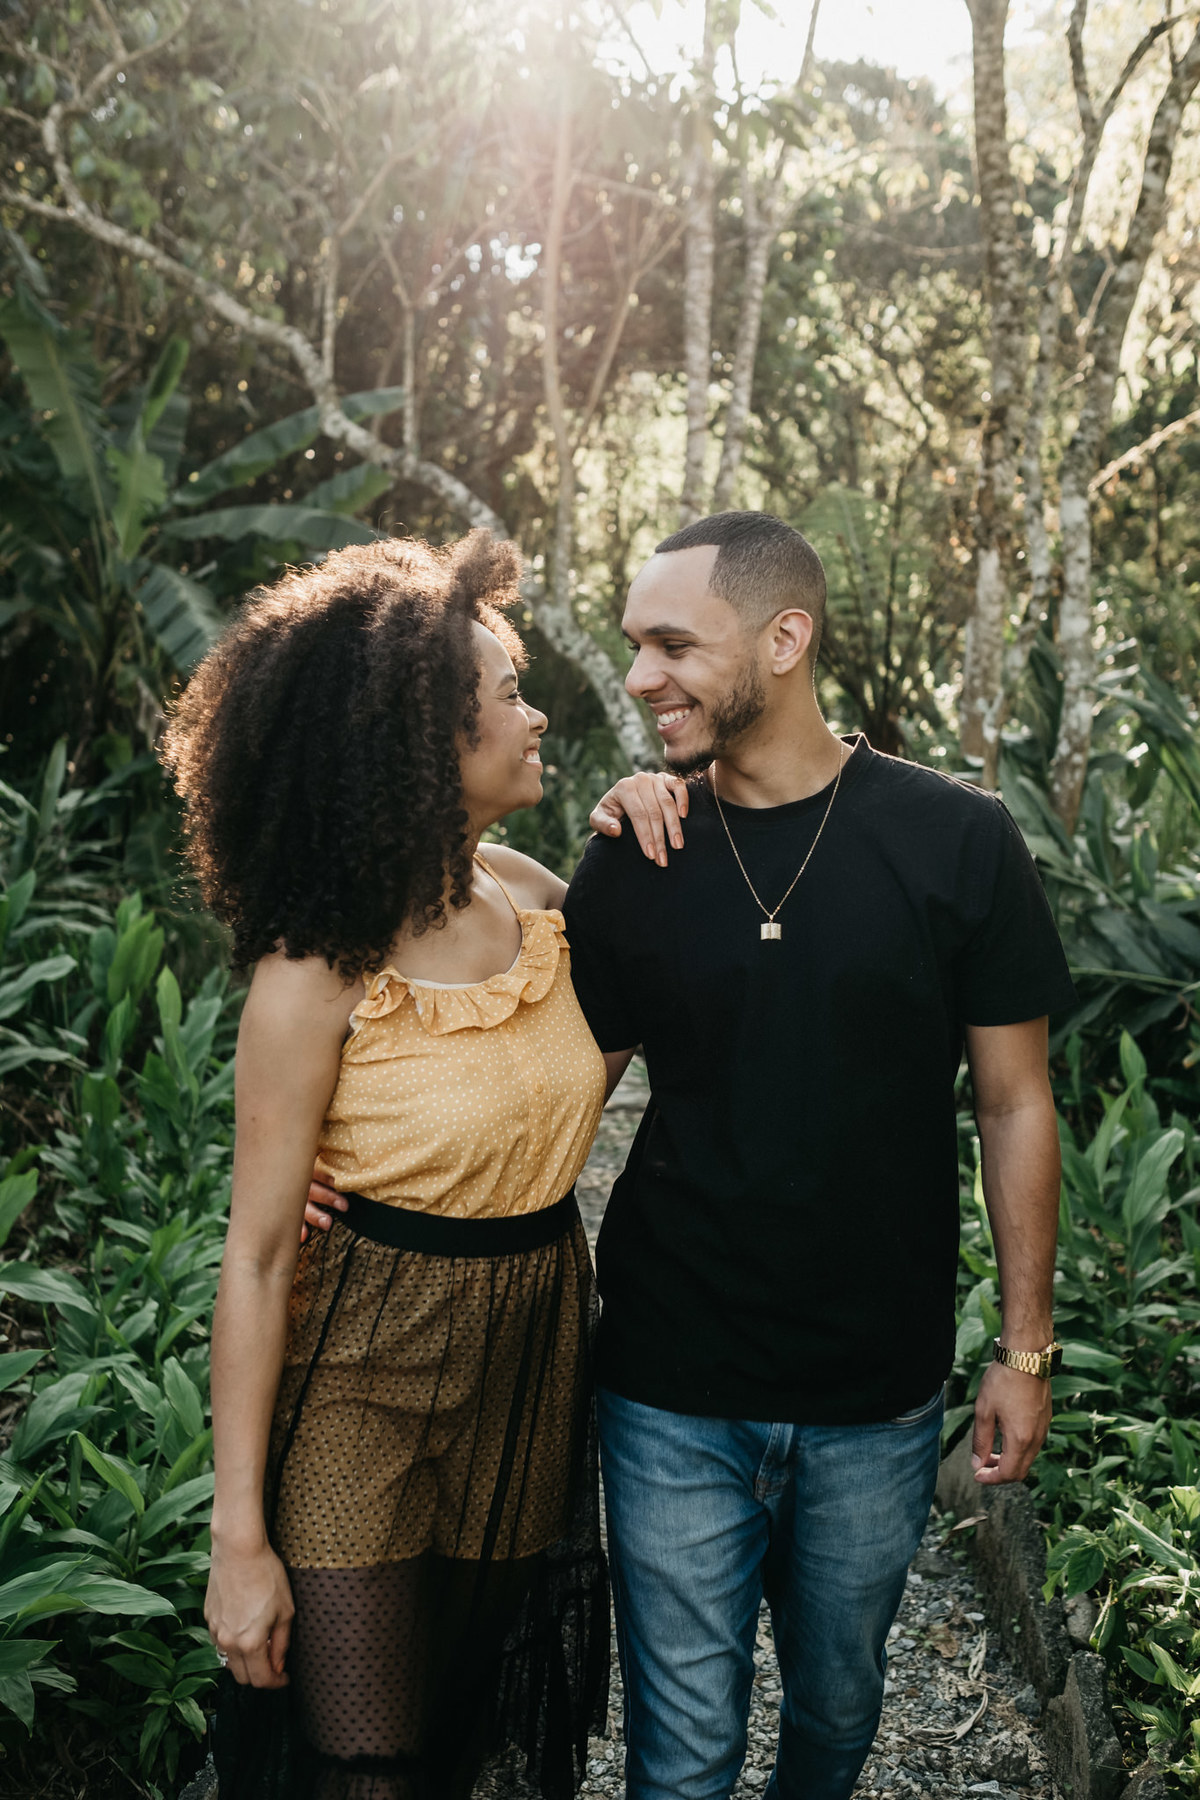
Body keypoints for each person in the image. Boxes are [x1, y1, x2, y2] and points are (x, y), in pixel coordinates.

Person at [559, 511, 1077, 1800]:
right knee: (680, 1755)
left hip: (873, 1383)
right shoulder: (638, 855)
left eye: (674, 644)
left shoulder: (959, 840)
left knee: (839, 1717)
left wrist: (1024, 1348)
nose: (639, 677)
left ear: (785, 639)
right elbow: (551, 1096)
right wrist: (362, 1177)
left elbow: (1015, 1103)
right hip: (671, 1375)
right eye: (635, 645)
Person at [163, 531, 633, 1800]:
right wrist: (236, 1540)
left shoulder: (540, 902)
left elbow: (681, 998)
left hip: (526, 1358)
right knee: (362, 1766)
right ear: (429, 744)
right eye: (509, 696)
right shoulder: (316, 970)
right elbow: (257, 1256)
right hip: (364, 1368)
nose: (538, 716)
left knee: (457, 1735)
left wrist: (653, 820)